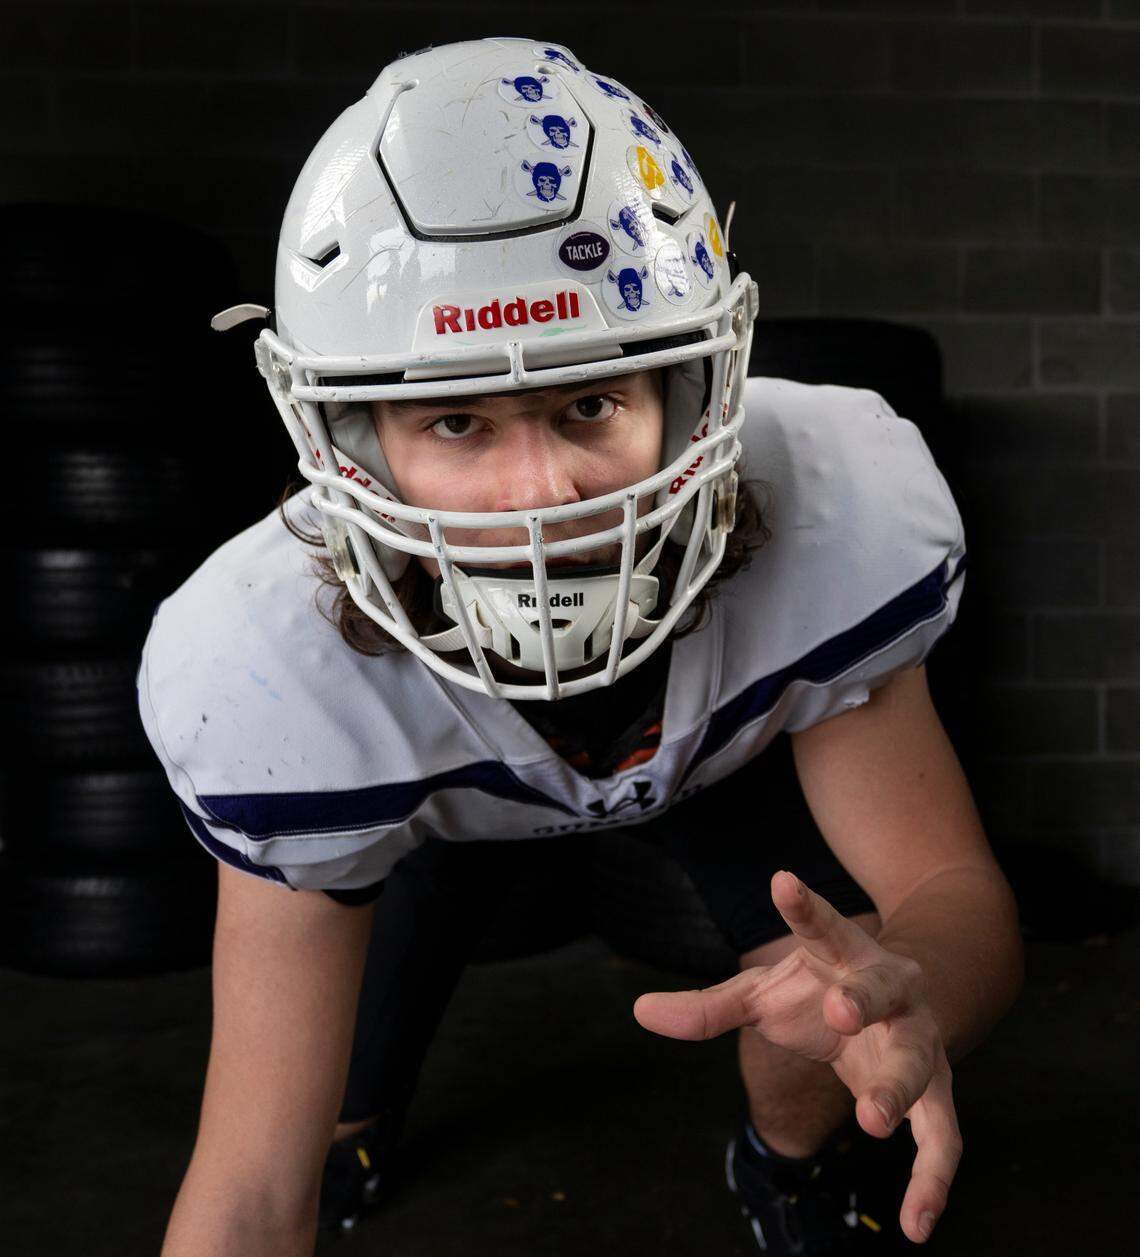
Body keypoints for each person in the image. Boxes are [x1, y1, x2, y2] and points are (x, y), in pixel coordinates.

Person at [138, 37, 1024, 1257]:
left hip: (723, 756)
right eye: (457, 418)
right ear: (353, 445)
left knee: (825, 1017)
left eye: (589, 402)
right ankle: (367, 1122)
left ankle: (786, 1169)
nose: (544, 489)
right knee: (320, 1101)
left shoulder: (833, 517)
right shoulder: (270, 667)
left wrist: (916, 983)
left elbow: (950, 896)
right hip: (439, 797)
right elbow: (243, 1191)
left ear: (697, 391)